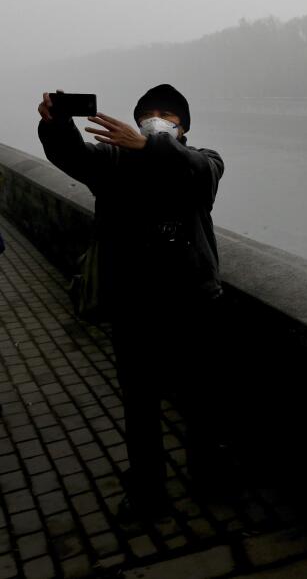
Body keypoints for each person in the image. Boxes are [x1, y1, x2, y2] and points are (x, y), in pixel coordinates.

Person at [38, 84, 226, 518]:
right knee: (140, 405)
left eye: (169, 116)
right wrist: (56, 124)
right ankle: (147, 490)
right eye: (150, 113)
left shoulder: (204, 162)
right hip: (135, 305)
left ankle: (208, 476)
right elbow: (73, 156)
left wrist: (151, 144)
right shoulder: (114, 162)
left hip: (193, 303)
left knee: (201, 400)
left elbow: (199, 172)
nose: (158, 119)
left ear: (184, 129)